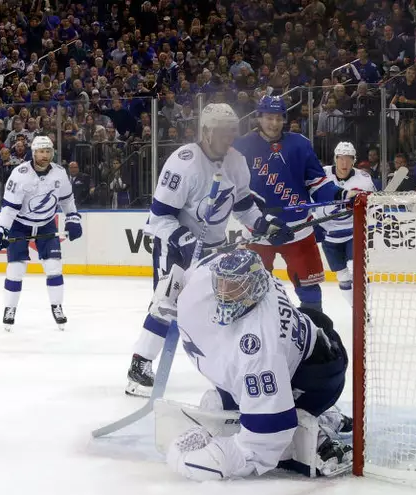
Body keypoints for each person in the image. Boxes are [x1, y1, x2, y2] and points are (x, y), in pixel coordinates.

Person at [124, 103, 277, 398]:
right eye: (222, 132)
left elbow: (243, 204)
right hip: (175, 245)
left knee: (222, 306)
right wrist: (184, 239)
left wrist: (262, 223)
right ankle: (139, 364)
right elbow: (159, 217)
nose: (229, 138)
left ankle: (228, 367)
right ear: (205, 131)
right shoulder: (183, 163)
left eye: (232, 131)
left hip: (212, 248)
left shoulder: (236, 161)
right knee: (166, 305)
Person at [162, 249, 352, 480]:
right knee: (224, 401)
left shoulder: (261, 345)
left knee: (293, 432)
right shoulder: (237, 277)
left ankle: (322, 420)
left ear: (254, 287)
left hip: (321, 372)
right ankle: (313, 411)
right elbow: (201, 267)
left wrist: (218, 460)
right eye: (220, 285)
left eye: (234, 288)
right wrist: (168, 291)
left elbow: (266, 436)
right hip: (308, 332)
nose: (224, 293)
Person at [234, 95, 343, 313]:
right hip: (258, 229)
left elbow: (317, 183)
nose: (274, 123)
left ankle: (314, 338)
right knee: (251, 293)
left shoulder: (300, 144)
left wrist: (340, 195)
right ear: (259, 117)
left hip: (298, 229)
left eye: (278, 118)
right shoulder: (242, 146)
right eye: (268, 118)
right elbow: (235, 189)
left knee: (310, 292)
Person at [0, 135, 81, 330]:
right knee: (15, 270)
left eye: (48, 151)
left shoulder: (59, 173)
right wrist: (1, 229)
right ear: (34, 153)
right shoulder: (19, 174)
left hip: (46, 224)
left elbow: (66, 200)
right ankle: (10, 308)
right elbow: (9, 208)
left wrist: (73, 218)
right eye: (41, 151)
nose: (45, 155)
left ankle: (57, 307)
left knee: (54, 267)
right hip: (20, 225)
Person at [318, 142, 375, 306]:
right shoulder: (322, 175)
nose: (344, 163)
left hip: (353, 231)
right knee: (342, 276)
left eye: (348, 159)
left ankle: (364, 306)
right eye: (341, 158)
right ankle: (355, 308)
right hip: (329, 234)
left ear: (354, 161)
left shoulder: (363, 179)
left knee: (355, 267)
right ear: (335, 159)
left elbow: (372, 204)